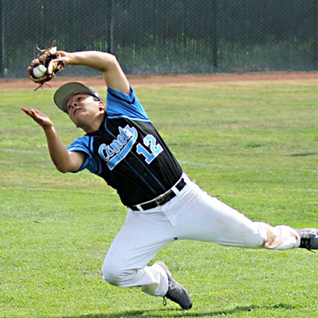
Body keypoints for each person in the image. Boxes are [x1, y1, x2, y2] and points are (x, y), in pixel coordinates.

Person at [21, 50, 318, 311]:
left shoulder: (125, 109)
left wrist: (67, 59)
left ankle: (301, 237)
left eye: (79, 98)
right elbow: (65, 165)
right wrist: (49, 128)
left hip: (187, 200)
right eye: (68, 107)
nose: (73, 104)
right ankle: (161, 281)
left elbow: (109, 63)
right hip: (146, 217)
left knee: (256, 237)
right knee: (114, 272)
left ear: (100, 104)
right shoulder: (86, 147)